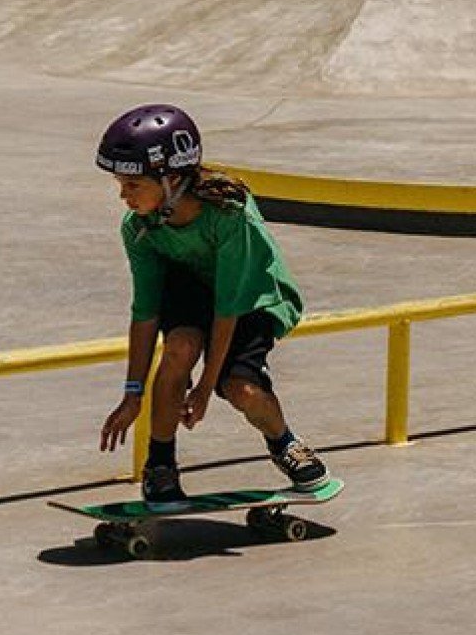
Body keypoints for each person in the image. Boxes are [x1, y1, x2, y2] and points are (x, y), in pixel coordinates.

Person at [94, 104, 330, 504]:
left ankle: (285, 443)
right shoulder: (140, 229)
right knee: (179, 350)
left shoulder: (229, 216)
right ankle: (161, 465)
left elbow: (229, 306)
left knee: (239, 388)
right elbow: (146, 311)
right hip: (192, 288)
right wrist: (132, 393)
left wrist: (205, 388)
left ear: (169, 179)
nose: (123, 195)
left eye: (132, 186)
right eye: (120, 184)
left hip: (251, 296)